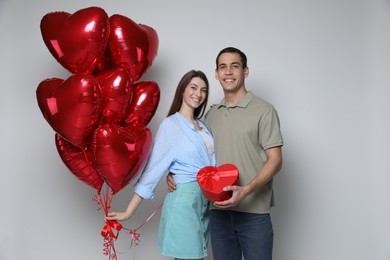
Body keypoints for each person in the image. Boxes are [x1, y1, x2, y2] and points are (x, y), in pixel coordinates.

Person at [167, 47, 283, 260]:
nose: (228, 72)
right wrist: (172, 173)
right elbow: (193, 153)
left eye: (235, 66)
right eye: (223, 67)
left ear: (245, 71)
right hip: (218, 213)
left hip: (254, 213)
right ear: (217, 74)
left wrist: (246, 190)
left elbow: (275, 161)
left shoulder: (264, 110)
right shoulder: (211, 115)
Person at [106, 70, 216, 260]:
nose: (198, 94)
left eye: (203, 90)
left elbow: (208, 161)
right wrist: (129, 211)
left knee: (198, 256)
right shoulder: (170, 125)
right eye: (193, 87)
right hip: (184, 202)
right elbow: (153, 169)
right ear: (182, 90)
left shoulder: (202, 125)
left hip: (204, 202)